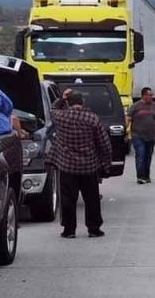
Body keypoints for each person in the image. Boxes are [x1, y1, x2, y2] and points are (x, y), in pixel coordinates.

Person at [46, 88, 112, 238]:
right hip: (89, 167)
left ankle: (69, 230)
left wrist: (62, 98)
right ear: (82, 102)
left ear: (69, 103)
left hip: (67, 167)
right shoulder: (92, 119)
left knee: (68, 199)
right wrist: (106, 164)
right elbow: (104, 144)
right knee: (92, 199)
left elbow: (53, 109)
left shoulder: (61, 117)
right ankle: (94, 229)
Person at [127, 87, 155, 184]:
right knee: (140, 154)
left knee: (148, 156)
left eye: (152, 95)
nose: (151, 97)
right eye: (149, 95)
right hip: (137, 135)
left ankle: (146, 175)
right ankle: (140, 176)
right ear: (143, 95)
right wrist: (125, 131)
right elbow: (128, 118)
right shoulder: (135, 106)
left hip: (151, 136)